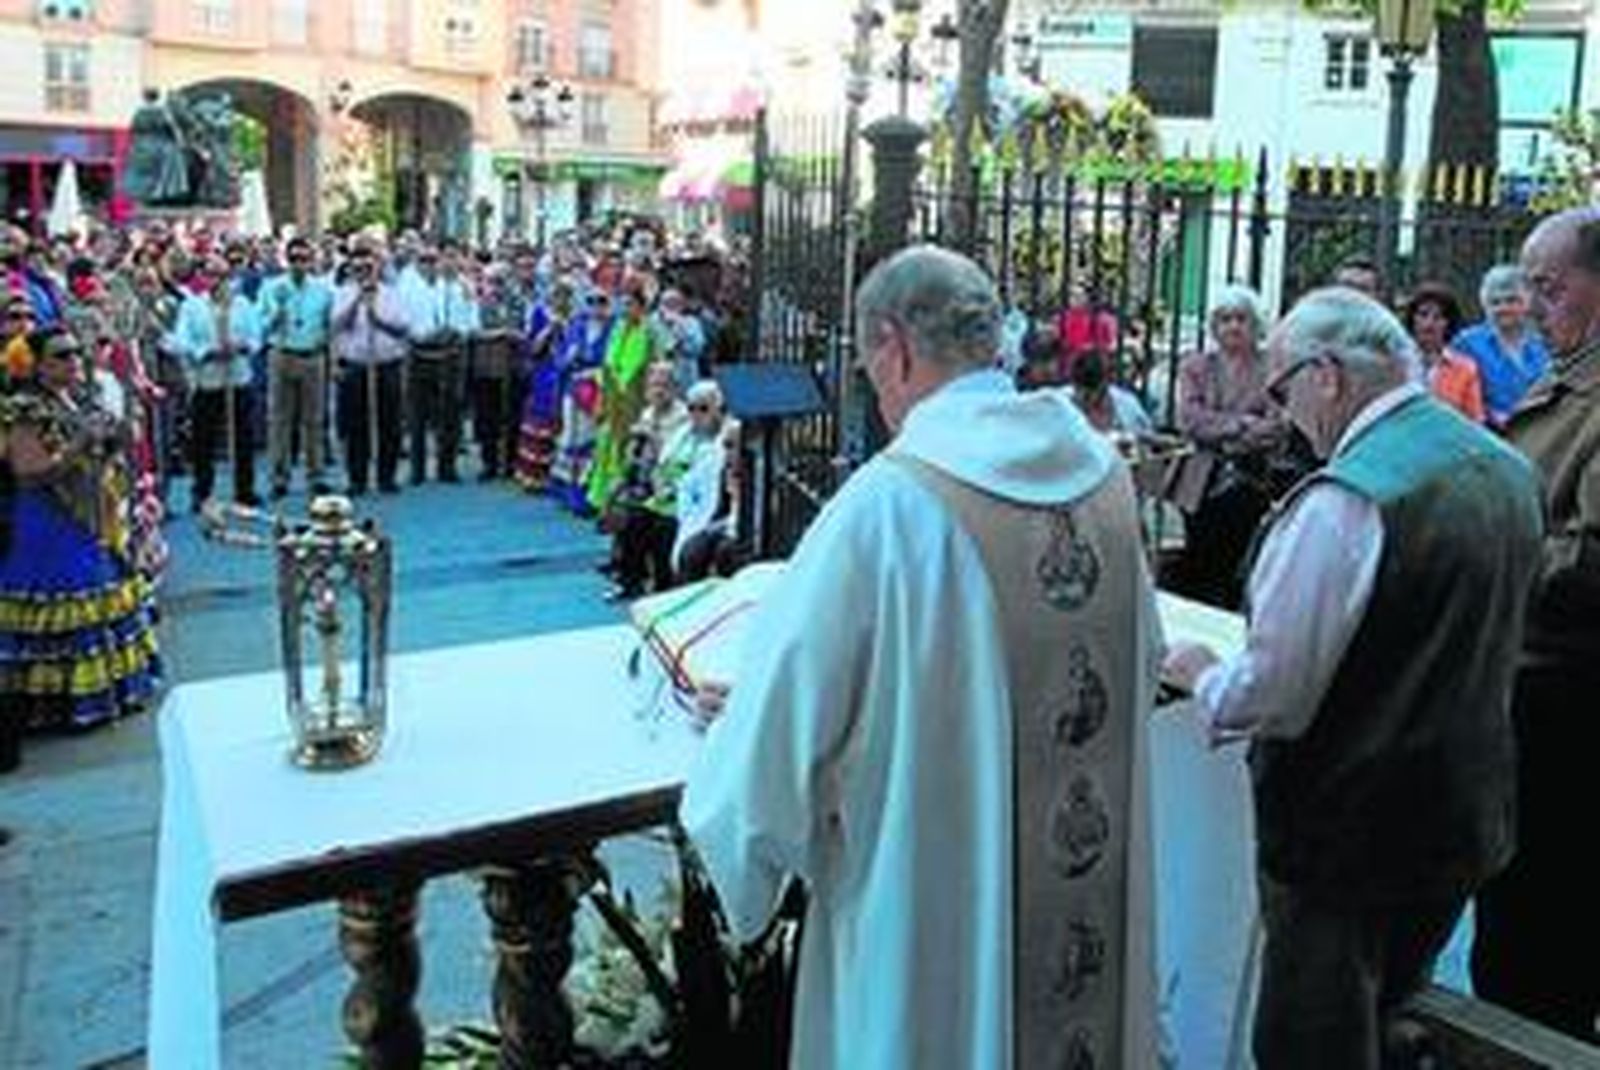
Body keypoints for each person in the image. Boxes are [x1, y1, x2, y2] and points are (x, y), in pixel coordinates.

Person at [680, 246, 1161, 1070]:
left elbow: (773, 748)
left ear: (894, 348)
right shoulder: (1101, 474)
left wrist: (745, 829)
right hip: (1080, 901)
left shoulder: (889, 503)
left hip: (929, 907)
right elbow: (1138, 662)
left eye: (871, 370)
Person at [1163, 288, 1542, 1070]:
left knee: (1314, 1044)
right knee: (1390, 1014)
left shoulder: (1347, 499)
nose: (1284, 408)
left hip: (1347, 836)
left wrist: (1201, 675)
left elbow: (1273, 693)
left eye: (1282, 386)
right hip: (1463, 812)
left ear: (1327, 375)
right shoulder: (1503, 466)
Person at [1471, 207, 1600, 1043]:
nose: (1533, 303)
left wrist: (1487, 557)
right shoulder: (1566, 381)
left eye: (1550, 287)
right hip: (1531, 696)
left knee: (1537, 963)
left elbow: (1592, 567)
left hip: (1569, 714)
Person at [0, 327, 163, 751]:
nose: (73, 361)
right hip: (48, 522)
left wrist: (117, 435)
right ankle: (54, 703)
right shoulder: (23, 410)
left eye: (76, 353)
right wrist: (81, 443)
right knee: (70, 595)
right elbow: (29, 472)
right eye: (61, 355)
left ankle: (111, 690)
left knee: (104, 589)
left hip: (92, 513)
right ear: (35, 364)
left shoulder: (81, 397)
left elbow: (104, 448)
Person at [1171, 285, 1293, 608]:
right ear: (1214, 326)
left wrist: (1220, 429)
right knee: (1199, 564)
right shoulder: (1196, 366)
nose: (1233, 327)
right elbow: (1189, 420)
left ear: (1255, 325)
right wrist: (1243, 424)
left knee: (1239, 567)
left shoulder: (1272, 368)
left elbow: (1278, 426)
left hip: (1252, 482)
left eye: (1241, 319)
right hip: (1202, 482)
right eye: (1225, 319)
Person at [171, 258, 261, 509]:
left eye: (220, 275)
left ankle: (244, 490)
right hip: (207, 380)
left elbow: (256, 336)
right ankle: (203, 492)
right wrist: (206, 351)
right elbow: (181, 340)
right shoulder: (192, 306)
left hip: (238, 378)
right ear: (202, 277)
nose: (215, 281)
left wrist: (243, 346)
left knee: (243, 438)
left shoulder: (242, 305)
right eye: (210, 275)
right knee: (204, 441)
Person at [259, 235, 334, 498]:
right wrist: (275, 315)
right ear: (287, 260)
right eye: (294, 259)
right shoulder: (273, 288)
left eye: (304, 259)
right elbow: (261, 324)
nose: (299, 264)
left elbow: (329, 325)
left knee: (314, 419)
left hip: (312, 356)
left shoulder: (323, 290)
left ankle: (316, 475)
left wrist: (327, 351)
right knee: (279, 419)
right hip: (282, 353)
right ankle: (279, 476)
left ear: (311, 261)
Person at [331, 243, 409, 496]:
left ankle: (386, 476)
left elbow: (402, 329)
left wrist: (378, 320)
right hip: (356, 365)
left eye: (369, 266)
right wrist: (358, 301)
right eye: (359, 267)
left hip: (387, 364)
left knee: (390, 424)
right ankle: (358, 478)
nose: (365, 271)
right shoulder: (343, 292)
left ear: (378, 267)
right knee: (356, 426)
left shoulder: (392, 293)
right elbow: (337, 326)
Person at [404, 241, 479, 485]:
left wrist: (456, 331)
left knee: (451, 414)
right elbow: (404, 320)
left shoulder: (462, 288)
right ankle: (417, 469)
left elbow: (472, 323)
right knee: (418, 414)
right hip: (420, 353)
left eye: (443, 258)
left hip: (451, 355)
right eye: (426, 260)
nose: (435, 264)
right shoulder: (409, 285)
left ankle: (447, 467)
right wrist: (422, 334)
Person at [585, 284, 657, 512]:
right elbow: (607, 366)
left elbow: (652, 368)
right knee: (605, 446)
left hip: (636, 401)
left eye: (630, 304)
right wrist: (601, 400)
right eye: (623, 304)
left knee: (631, 449)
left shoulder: (651, 332)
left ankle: (624, 502)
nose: (626, 309)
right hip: (612, 399)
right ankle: (602, 500)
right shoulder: (617, 329)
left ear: (642, 307)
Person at [1451, 264, 1551, 429]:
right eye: (1495, 302)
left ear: (1526, 303)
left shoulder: (1543, 342)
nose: (1504, 308)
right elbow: (1458, 395)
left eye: (1512, 300)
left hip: (1540, 430)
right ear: (1485, 306)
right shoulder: (1466, 343)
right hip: (1488, 434)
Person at [1401, 282, 1485, 422]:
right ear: (1412, 318)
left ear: (1449, 323)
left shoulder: (1465, 369)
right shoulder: (1395, 362)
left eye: (1438, 317)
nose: (1429, 323)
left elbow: (1474, 421)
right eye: (1423, 315)